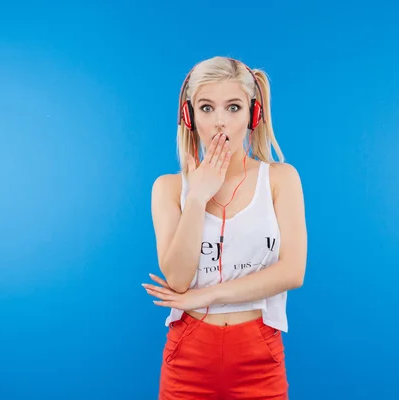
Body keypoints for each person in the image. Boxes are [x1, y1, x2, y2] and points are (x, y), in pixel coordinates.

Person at [143, 56, 307, 399]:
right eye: (206, 108)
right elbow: (177, 280)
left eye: (233, 107)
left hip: (258, 355)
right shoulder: (168, 189)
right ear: (189, 117)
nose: (220, 122)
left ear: (252, 115)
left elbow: (293, 271)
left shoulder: (280, 179)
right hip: (188, 355)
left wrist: (207, 295)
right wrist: (198, 197)